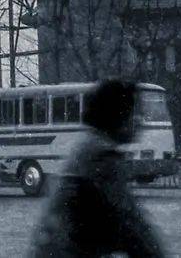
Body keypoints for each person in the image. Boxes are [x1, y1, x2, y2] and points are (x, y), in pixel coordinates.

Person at [28, 79, 165, 258]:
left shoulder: (87, 146)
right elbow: (133, 226)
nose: (140, 121)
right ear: (118, 116)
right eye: (135, 112)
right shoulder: (102, 157)